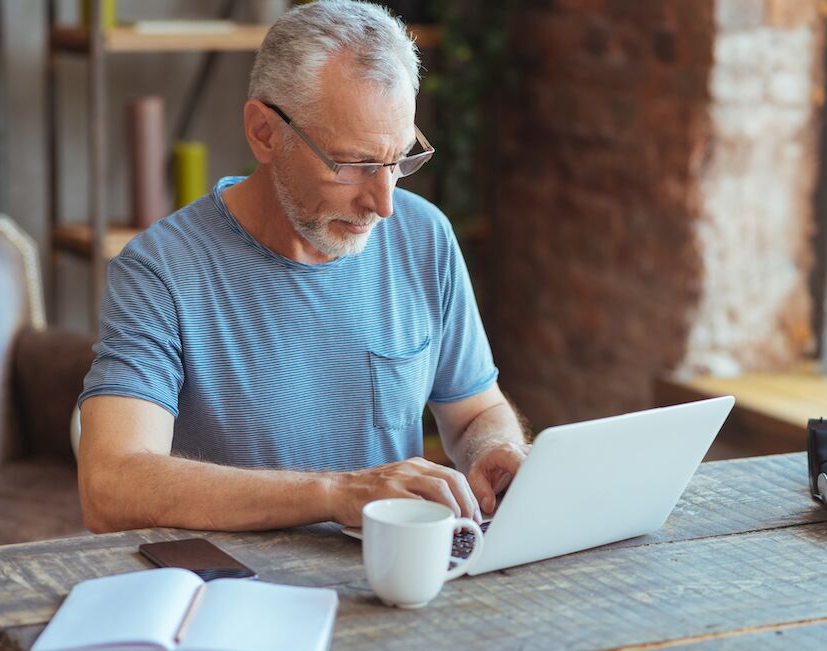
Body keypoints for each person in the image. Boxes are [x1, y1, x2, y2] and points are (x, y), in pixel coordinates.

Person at [77, 0, 529, 534]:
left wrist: (492, 448)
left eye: (399, 159)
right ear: (264, 133)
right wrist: (335, 493)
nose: (384, 204)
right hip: (233, 590)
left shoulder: (423, 235)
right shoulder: (161, 271)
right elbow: (110, 486)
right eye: (355, 165)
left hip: (385, 581)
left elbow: (476, 411)